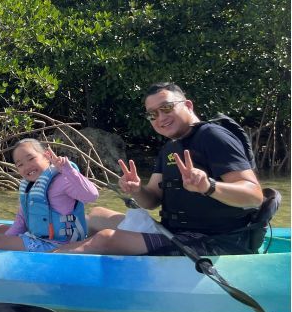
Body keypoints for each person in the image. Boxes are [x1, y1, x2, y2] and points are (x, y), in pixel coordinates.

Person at [54, 82, 263, 256]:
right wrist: (137, 190)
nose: (161, 118)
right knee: (98, 215)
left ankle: (42, 263)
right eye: (153, 114)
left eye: (167, 108)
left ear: (188, 105)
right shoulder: (170, 147)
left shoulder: (213, 137)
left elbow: (254, 196)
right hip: (174, 232)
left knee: (105, 240)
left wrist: (209, 186)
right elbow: (152, 200)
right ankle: (64, 256)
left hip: (213, 241)